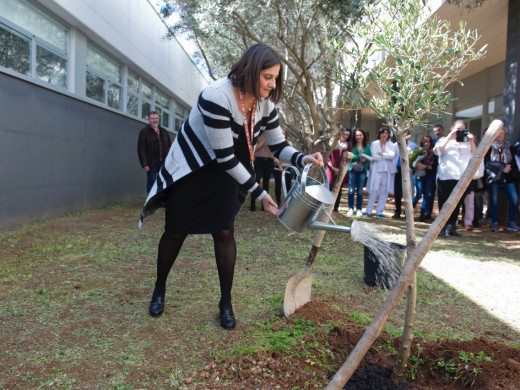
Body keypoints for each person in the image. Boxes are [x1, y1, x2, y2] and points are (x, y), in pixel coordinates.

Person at [138, 43, 323, 330]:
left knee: (224, 232)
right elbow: (223, 156)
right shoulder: (216, 96)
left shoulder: (266, 105)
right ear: (250, 71)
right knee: (175, 232)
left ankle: (225, 302)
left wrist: (302, 158)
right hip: (194, 171)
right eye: (268, 77)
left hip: (227, 175)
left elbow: (278, 145)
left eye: (276, 78)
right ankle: (159, 288)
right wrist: (261, 193)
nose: (273, 85)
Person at [434, 119, 476, 238]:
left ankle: (451, 227)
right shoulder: (443, 140)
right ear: (452, 128)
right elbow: (437, 151)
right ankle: (441, 227)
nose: (460, 132)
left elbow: (475, 154)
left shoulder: (467, 142)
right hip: (445, 177)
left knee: (457, 204)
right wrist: (449, 137)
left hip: (461, 178)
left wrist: (472, 140)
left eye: (463, 129)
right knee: (444, 203)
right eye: (458, 129)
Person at [486, 127, 519, 232]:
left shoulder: (510, 147)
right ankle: (495, 223)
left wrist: (509, 168)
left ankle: (511, 222)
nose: (500, 135)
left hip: (508, 177)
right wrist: (502, 167)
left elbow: (514, 162)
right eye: (498, 133)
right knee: (494, 201)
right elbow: (487, 163)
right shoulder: (489, 147)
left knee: (515, 200)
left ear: (505, 134)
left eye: (502, 133)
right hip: (494, 177)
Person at [137, 111, 172, 193]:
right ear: (148, 119)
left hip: (164, 161)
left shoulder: (164, 131)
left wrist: (170, 160)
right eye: (152, 118)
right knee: (151, 182)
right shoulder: (144, 132)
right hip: (151, 162)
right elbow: (141, 149)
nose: (155, 120)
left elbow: (170, 146)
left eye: (156, 118)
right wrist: (144, 164)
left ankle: (162, 199)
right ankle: (151, 200)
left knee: (164, 181)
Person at [365, 127, 396, 217]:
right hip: (377, 170)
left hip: (387, 170)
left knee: (384, 191)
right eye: (383, 133)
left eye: (386, 133)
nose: (384, 135)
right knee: (374, 190)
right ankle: (368, 210)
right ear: (380, 134)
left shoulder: (390, 144)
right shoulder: (374, 143)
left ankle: (379, 211)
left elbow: (392, 156)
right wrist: (385, 155)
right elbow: (374, 157)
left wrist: (382, 154)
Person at [325, 128, 352, 212]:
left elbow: (348, 159)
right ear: (340, 133)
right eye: (344, 133)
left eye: (347, 135)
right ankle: (325, 207)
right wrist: (333, 168)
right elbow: (327, 156)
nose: (345, 136)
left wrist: (341, 169)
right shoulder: (332, 143)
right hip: (330, 169)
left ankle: (335, 208)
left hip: (341, 169)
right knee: (329, 187)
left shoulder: (348, 145)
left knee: (338, 189)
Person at [412, 135, 437, 222]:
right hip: (419, 175)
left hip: (429, 176)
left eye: (428, 142)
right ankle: (409, 211)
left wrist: (425, 166)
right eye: (425, 142)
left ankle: (422, 215)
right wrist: (417, 165)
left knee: (427, 195)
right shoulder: (418, 151)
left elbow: (433, 166)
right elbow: (413, 163)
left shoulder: (433, 152)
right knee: (418, 194)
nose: (426, 144)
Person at [346, 128, 371, 217]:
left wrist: (365, 160)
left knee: (360, 191)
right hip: (352, 170)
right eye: (357, 135)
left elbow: (369, 157)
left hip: (362, 171)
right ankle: (350, 208)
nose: (358, 137)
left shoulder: (367, 146)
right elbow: (349, 156)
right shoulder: (351, 146)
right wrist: (358, 158)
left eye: (360, 135)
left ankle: (359, 209)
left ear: (363, 136)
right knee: (351, 190)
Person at [392, 136, 418, 219]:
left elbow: (416, 158)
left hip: (408, 170)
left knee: (408, 192)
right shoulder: (394, 145)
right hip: (398, 170)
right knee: (398, 192)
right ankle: (397, 211)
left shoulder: (413, 146)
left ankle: (408, 212)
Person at [250, 134, 275, 211]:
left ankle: (264, 206)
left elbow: (275, 148)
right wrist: (263, 142)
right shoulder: (257, 134)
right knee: (256, 180)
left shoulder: (271, 134)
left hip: (269, 161)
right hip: (258, 160)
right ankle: (252, 205)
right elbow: (255, 149)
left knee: (266, 183)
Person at [273, 129, 293, 204]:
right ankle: (278, 202)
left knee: (288, 186)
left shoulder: (289, 143)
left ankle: (288, 203)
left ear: (286, 135)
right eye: (280, 133)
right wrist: (279, 165)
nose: (282, 135)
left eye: (283, 133)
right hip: (277, 168)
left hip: (287, 168)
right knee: (278, 186)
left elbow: (291, 155)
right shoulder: (274, 144)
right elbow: (273, 157)